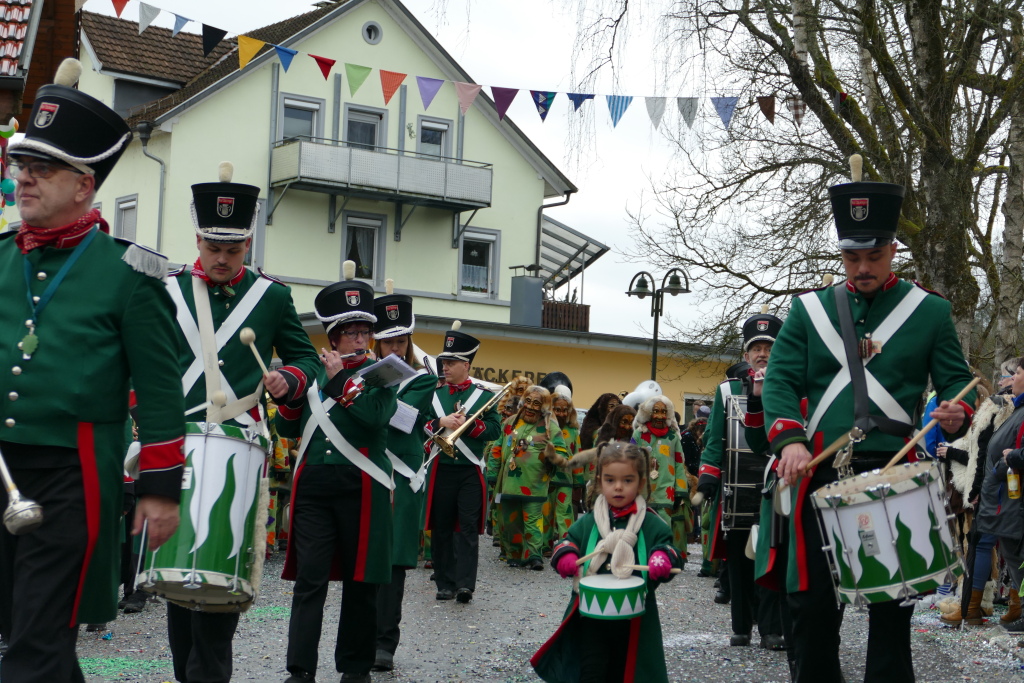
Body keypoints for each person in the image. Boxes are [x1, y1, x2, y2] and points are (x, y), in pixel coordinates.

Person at [0, 58, 185, 683]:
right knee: (28, 638)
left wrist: (160, 490)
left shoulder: (131, 274)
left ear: (84, 184)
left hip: (71, 477)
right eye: (22, 164)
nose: (24, 178)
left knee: (37, 640)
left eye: (41, 168)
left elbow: (161, 390)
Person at [764, 169, 976, 682]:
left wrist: (954, 413)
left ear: (893, 251)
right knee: (813, 609)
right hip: (819, 472)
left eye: (873, 257)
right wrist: (790, 442)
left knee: (891, 611)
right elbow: (780, 383)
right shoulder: (808, 311)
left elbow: (958, 389)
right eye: (852, 257)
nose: (862, 268)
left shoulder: (930, 312)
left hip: (895, 472)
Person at [161, 162, 319, 683]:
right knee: (178, 572)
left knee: (221, 573)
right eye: (213, 248)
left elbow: (306, 360)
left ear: (248, 243)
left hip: (239, 445)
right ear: (199, 239)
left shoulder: (271, 297)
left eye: (233, 249)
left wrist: (288, 380)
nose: (223, 259)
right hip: (178, 443)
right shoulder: (167, 290)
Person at [277, 263, 397, 683]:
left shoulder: (382, 375)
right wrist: (285, 395)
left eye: (366, 331)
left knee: (361, 583)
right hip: (313, 487)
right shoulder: (311, 371)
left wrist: (341, 379)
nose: (361, 339)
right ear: (333, 338)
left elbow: (375, 419)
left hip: (362, 485)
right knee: (310, 580)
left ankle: (355, 667)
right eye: (352, 333)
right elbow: (287, 428)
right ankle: (300, 669)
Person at [530, 441, 684, 683]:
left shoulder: (651, 523)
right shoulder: (590, 521)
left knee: (625, 672)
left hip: (634, 619)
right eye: (610, 480)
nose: (619, 487)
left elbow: (667, 548)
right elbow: (567, 542)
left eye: (628, 480)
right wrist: (567, 556)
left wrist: (662, 558)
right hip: (590, 616)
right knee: (591, 671)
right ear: (600, 482)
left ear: (641, 483)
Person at [696, 312, 786, 650]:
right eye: (756, 348)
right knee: (739, 562)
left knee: (772, 558)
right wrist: (708, 478)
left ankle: (771, 628)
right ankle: (742, 627)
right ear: (746, 355)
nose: (762, 353)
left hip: (774, 488)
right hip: (735, 490)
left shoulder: (788, 386)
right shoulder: (727, 390)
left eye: (769, 347)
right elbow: (715, 439)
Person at [371, 280, 438, 673]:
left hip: (402, 476)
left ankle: (385, 644)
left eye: (401, 341)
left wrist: (370, 397)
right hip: (369, 470)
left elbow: (403, 419)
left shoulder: (423, 378)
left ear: (410, 341)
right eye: (386, 342)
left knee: (394, 563)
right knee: (363, 557)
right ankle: (361, 637)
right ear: (377, 344)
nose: (393, 350)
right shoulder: (364, 374)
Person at [940, 363, 1024, 628]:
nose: (1005, 381)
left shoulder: (1003, 408)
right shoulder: (1003, 409)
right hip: (993, 490)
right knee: (987, 546)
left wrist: (979, 486)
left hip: (1004, 493)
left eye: (1012, 375)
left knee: (1001, 549)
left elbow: (987, 451)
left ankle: (1000, 606)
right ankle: (975, 606)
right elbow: (983, 452)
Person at [423, 322, 501, 603]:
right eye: (443, 362)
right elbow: (421, 423)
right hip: (441, 467)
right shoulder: (434, 395)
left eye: (451, 362)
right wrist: (439, 423)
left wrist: (470, 425)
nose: (444, 367)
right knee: (441, 527)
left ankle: (465, 584)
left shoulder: (484, 396)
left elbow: (495, 430)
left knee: (467, 528)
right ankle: (444, 582)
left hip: (469, 470)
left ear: (466, 364)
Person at [490, 385, 568, 568]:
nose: (531, 407)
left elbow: (562, 453)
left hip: (535, 484)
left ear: (544, 407)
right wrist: (492, 473)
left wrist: (552, 457)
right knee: (510, 522)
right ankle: (514, 555)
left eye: (537, 403)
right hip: (508, 484)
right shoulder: (510, 422)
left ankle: (534, 556)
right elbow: (497, 447)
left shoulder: (550, 426)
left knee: (533, 521)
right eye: (529, 401)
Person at [632, 395, 690, 559]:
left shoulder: (673, 437)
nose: (659, 416)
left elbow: (679, 464)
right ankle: (642, 556)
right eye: (656, 411)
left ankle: (663, 557)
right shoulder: (638, 435)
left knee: (665, 525)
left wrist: (680, 491)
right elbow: (630, 461)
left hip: (667, 491)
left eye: (663, 412)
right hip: (642, 491)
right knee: (641, 523)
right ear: (649, 413)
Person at [549, 386, 581, 550]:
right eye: (557, 410)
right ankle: (544, 545)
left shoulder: (573, 431)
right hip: (545, 480)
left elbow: (578, 457)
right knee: (545, 514)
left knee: (564, 514)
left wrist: (578, 482)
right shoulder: (544, 428)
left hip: (565, 481)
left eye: (564, 410)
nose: (561, 413)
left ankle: (565, 546)